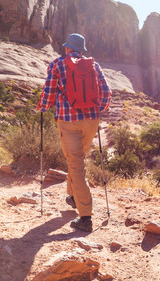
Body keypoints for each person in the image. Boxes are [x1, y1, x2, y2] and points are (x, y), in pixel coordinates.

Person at [37, 33, 111, 232]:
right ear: (82, 49)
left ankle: (85, 216)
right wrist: (96, 111)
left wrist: (43, 107)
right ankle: (72, 196)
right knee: (77, 160)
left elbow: (49, 91)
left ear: (67, 48)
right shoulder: (94, 66)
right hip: (91, 121)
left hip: (68, 122)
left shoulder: (57, 64)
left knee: (76, 164)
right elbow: (106, 93)